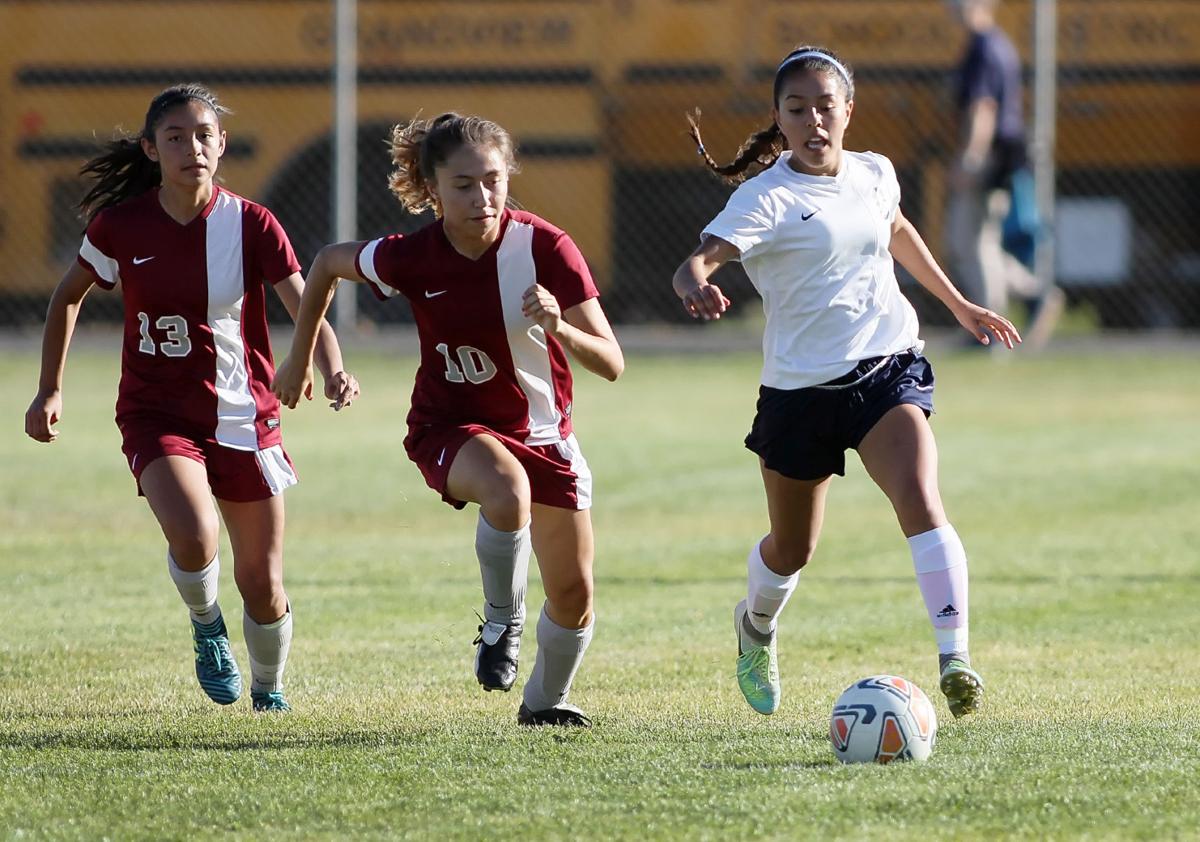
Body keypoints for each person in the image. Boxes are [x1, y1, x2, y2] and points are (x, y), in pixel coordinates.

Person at [677, 47, 1021, 719]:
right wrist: (694, 284)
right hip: (799, 394)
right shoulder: (766, 197)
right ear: (778, 118)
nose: (813, 121)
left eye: (825, 107)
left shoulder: (874, 172)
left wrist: (959, 305)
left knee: (920, 497)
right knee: (792, 549)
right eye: (797, 109)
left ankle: (955, 659)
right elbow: (698, 261)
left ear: (848, 111)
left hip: (886, 369)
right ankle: (755, 625)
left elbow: (896, 228)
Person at [272, 112, 624, 727]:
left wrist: (559, 326)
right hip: (449, 426)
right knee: (507, 489)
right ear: (432, 190)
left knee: (574, 596)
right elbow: (326, 263)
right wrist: (300, 358)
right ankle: (501, 622)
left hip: (545, 435)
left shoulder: (546, 248)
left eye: (493, 180)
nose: (482, 197)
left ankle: (544, 704)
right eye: (463, 185)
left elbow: (612, 364)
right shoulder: (414, 256)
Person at [24, 84, 359, 713]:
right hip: (157, 414)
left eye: (204, 136)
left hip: (245, 415)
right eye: (175, 138)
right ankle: (207, 627)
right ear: (151, 149)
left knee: (262, 585)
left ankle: (269, 689)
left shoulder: (252, 223)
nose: (192, 148)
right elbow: (67, 296)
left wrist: (331, 366)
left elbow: (306, 303)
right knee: (196, 534)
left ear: (222, 144)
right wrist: (49, 389)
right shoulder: (122, 226)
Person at [946, 0, 1063, 349]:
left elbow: (983, 108)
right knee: (978, 242)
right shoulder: (994, 43)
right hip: (998, 158)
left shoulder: (984, 47)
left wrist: (971, 158)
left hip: (988, 158)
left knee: (971, 242)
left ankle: (990, 327)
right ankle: (1034, 293)